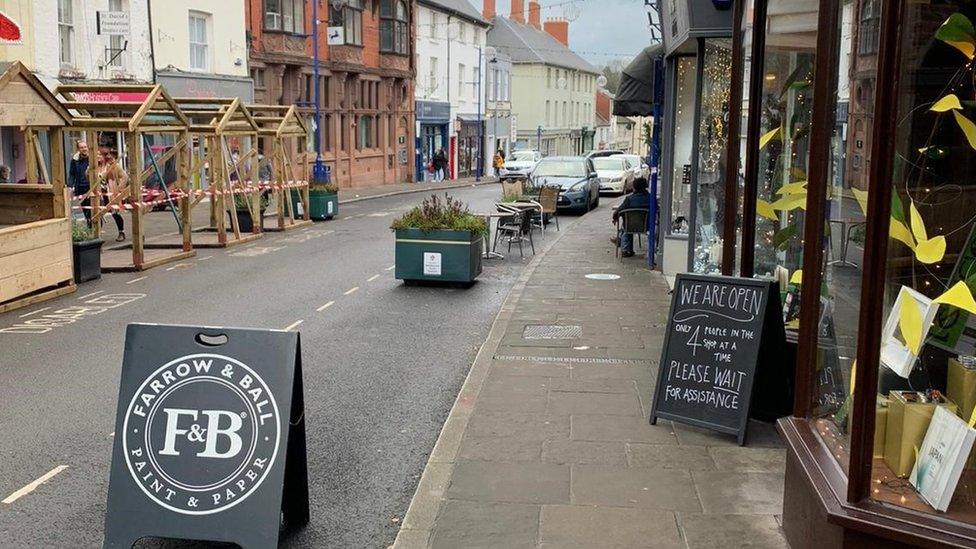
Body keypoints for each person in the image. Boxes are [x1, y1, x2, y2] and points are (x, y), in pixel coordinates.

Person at [611, 177, 651, 258]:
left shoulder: (629, 199)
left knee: (627, 222)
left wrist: (615, 217)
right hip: (647, 226)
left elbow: (619, 210)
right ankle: (620, 239)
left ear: (634, 187)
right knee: (628, 220)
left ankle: (624, 247)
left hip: (630, 226)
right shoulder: (650, 198)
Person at [99, 148, 128, 242]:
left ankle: (121, 232)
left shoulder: (114, 165)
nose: (98, 156)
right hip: (98, 194)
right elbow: (87, 176)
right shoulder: (93, 166)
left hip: (110, 191)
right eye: (97, 154)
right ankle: (97, 235)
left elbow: (124, 177)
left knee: (115, 213)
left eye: (100, 154)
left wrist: (118, 190)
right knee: (97, 214)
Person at [68, 140, 92, 225]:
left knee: (92, 210)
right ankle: (90, 229)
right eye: (81, 147)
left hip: (91, 188)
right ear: (78, 149)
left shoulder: (92, 158)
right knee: (85, 210)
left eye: (85, 147)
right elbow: (72, 173)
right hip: (80, 188)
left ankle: (95, 229)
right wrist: (70, 186)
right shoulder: (75, 160)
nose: (84, 149)